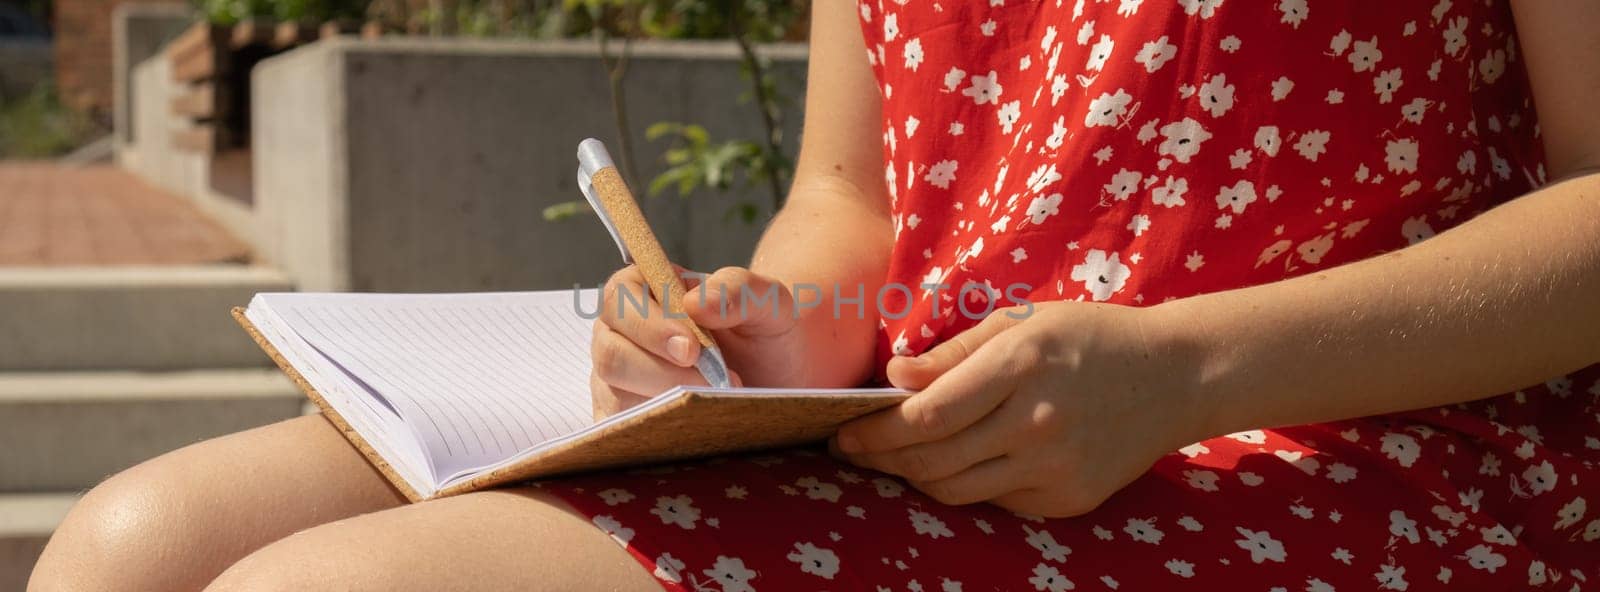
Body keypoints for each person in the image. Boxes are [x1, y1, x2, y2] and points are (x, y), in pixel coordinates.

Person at [30, 0, 1600, 590]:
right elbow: (853, 204)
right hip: (929, 421)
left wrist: (1183, 374)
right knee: (132, 547)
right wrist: (760, 324)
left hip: (1331, 445)